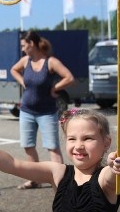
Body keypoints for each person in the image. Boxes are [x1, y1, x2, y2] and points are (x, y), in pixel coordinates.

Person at [10, 30, 75, 189]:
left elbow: (69, 78)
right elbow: (13, 70)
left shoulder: (50, 62)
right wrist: (22, 82)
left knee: (53, 147)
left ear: (32, 44)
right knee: (28, 146)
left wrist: (55, 88)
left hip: (47, 112)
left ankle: (61, 183)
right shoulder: (26, 61)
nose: (23, 49)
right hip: (26, 111)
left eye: (24, 45)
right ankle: (34, 179)